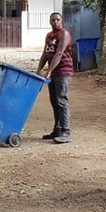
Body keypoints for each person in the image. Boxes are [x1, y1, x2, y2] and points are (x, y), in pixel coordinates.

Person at [36, 12, 73, 143]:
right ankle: (57, 129)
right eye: (53, 20)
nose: (55, 22)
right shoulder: (49, 36)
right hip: (54, 73)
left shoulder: (64, 34)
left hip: (63, 72)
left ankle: (65, 131)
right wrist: (39, 69)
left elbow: (59, 53)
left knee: (61, 101)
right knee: (54, 101)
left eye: (57, 20)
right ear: (49, 22)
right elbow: (45, 53)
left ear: (61, 21)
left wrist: (49, 70)